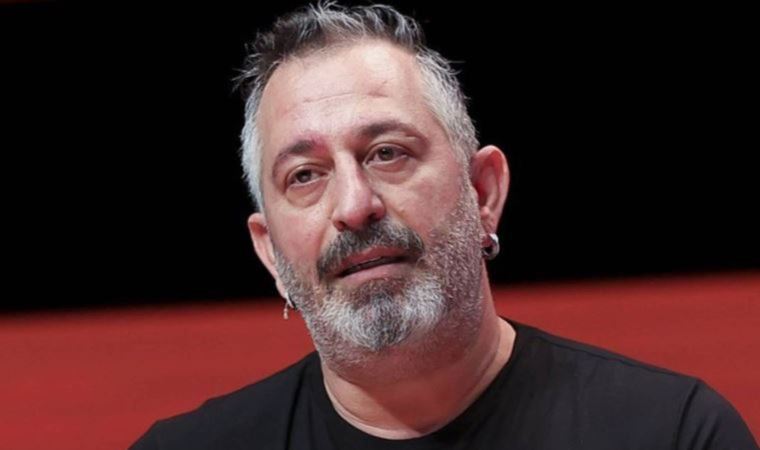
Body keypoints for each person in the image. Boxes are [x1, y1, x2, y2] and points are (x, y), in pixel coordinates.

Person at [131, 2, 757, 449]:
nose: (354, 205)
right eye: (305, 175)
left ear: (483, 192)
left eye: (387, 153)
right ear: (270, 253)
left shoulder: (674, 432)